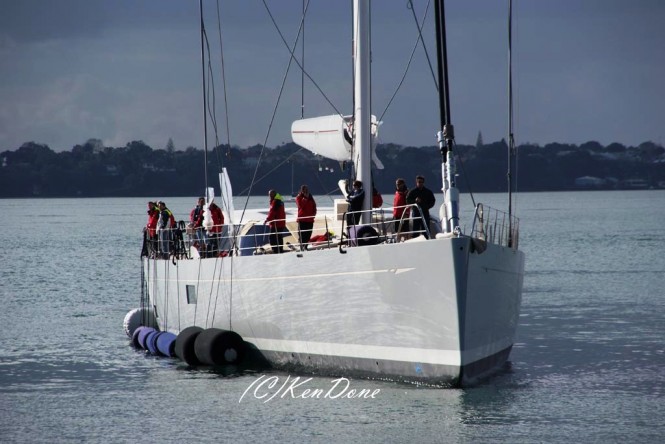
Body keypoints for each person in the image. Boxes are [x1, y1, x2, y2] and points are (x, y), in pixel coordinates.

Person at [295, 184, 317, 249]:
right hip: (302, 220)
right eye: (304, 190)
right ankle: (302, 247)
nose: (306, 191)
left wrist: (314, 213)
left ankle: (305, 246)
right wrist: (305, 198)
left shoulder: (311, 197)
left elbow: (314, 205)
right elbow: (300, 206)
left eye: (307, 190)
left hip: (310, 220)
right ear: (301, 190)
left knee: (308, 234)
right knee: (302, 235)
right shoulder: (298, 197)